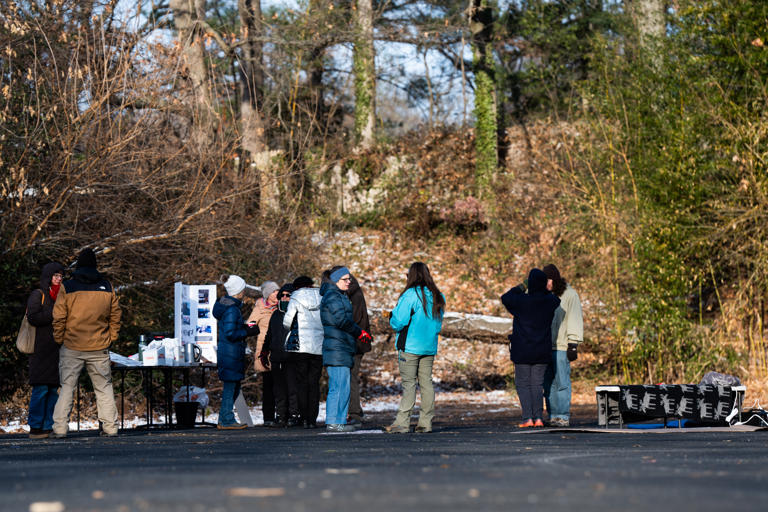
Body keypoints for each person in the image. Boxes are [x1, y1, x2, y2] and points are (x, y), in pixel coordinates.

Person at [51, 249, 122, 438]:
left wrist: (60, 339)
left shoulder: (68, 286)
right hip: (99, 346)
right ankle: (111, 428)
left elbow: (59, 317)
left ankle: (59, 429)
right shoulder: (107, 286)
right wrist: (111, 337)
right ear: (95, 265)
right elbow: (116, 315)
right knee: (104, 388)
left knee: (66, 387)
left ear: (79, 264)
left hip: (72, 346)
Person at [385, 262, 445, 434]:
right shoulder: (438, 296)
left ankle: (402, 423)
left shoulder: (411, 295)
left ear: (410, 276)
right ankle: (426, 423)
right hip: (429, 346)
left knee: (409, 385)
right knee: (426, 384)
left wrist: (391, 318)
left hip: (409, 346)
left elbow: (399, 321)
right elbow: (438, 323)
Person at [501, 268, 560, 428]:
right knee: (537, 384)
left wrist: (522, 286)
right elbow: (556, 299)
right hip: (542, 349)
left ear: (530, 283)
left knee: (523, 384)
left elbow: (505, 297)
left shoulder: (521, 301)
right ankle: (538, 418)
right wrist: (543, 290)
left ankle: (528, 418)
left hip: (522, 349)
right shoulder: (550, 302)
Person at [320, 266, 371, 432]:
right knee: (339, 385)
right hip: (337, 346)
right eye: (345, 279)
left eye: (349, 279)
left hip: (341, 345)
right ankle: (334, 421)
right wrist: (359, 332)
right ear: (336, 280)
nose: (349, 282)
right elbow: (341, 320)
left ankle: (339, 421)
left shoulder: (339, 295)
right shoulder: (333, 296)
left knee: (343, 385)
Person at [213, 275, 259, 429]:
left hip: (228, 353)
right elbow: (231, 333)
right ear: (238, 291)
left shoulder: (225, 306)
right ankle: (226, 419)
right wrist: (247, 331)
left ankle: (224, 418)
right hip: (231, 354)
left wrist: (245, 328)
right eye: (243, 289)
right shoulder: (232, 309)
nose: (244, 291)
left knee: (233, 386)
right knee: (231, 387)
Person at [25, 262, 65, 439]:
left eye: (61, 276)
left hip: (57, 349)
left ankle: (48, 426)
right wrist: (54, 313)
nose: (59, 279)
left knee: (53, 390)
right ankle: (35, 427)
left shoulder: (63, 295)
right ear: (48, 277)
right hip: (40, 350)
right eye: (55, 275)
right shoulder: (38, 294)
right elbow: (33, 317)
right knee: (40, 389)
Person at [542, 264, 583, 427]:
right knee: (548, 384)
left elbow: (575, 318)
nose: (546, 284)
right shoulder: (542, 295)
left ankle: (562, 416)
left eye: (549, 280)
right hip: (544, 346)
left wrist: (573, 343)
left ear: (555, 280)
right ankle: (552, 414)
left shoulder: (570, 295)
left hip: (561, 345)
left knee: (562, 382)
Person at [283, 275, 324, 429]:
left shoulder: (296, 297)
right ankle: (312, 419)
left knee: (301, 382)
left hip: (301, 346)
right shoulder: (321, 295)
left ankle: (304, 418)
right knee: (314, 383)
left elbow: (287, 321)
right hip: (318, 344)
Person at [262, 283, 297, 427]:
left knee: (292, 388)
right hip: (276, 356)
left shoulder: (297, 312)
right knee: (279, 389)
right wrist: (264, 351)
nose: (284, 298)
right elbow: (269, 334)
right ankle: (281, 415)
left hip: (291, 356)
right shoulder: (276, 314)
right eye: (282, 295)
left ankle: (293, 415)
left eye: (287, 295)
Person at [246, 280, 279, 426]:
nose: (276, 293)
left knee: (282, 385)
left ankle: (283, 415)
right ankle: (269, 418)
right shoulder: (259, 307)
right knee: (268, 386)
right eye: (273, 291)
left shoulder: (282, 306)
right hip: (265, 351)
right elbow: (250, 324)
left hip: (279, 350)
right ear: (267, 294)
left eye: (277, 290)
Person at [346, 273, 371, 427]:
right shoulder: (356, 294)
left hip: (353, 343)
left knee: (350, 378)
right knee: (352, 378)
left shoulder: (350, 297)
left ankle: (354, 412)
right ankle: (355, 410)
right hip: (359, 342)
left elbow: (350, 321)